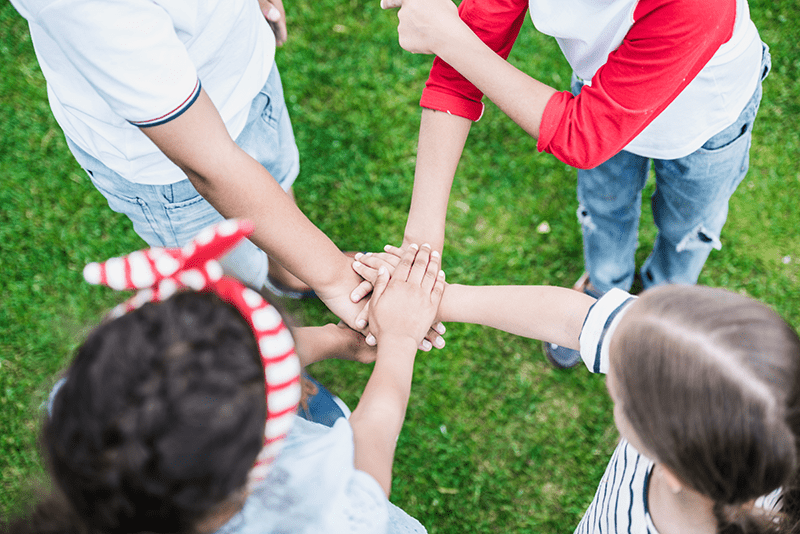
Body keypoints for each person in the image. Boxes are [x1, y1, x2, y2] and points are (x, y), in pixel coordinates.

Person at [375, 0, 771, 367]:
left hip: (708, 122)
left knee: (688, 226)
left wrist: (447, 36)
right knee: (603, 207)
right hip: (604, 87)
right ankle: (603, 292)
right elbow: (463, 66)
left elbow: (582, 135)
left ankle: (665, 303)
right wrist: (420, 242)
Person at [2, 220, 444, 534]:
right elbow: (370, 439)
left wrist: (339, 341)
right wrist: (399, 340)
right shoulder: (328, 514)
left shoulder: (85, 407)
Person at [354, 248, 800, 533]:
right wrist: (433, 298)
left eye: (620, 391)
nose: (612, 378)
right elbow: (573, 318)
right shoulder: (731, 407)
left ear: (672, 469)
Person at [9, 0, 367, 326]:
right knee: (226, 290)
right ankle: (260, 361)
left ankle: (288, 272)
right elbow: (210, 165)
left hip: (245, 79)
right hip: (174, 167)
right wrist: (335, 278)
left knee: (276, 180)